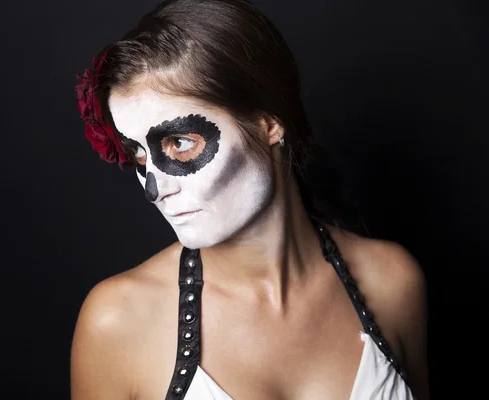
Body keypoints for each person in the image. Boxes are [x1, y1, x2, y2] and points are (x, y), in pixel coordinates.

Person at [70, 0, 429, 399]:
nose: (155, 188)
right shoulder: (120, 322)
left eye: (180, 142)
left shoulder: (391, 282)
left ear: (269, 123)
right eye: (138, 154)